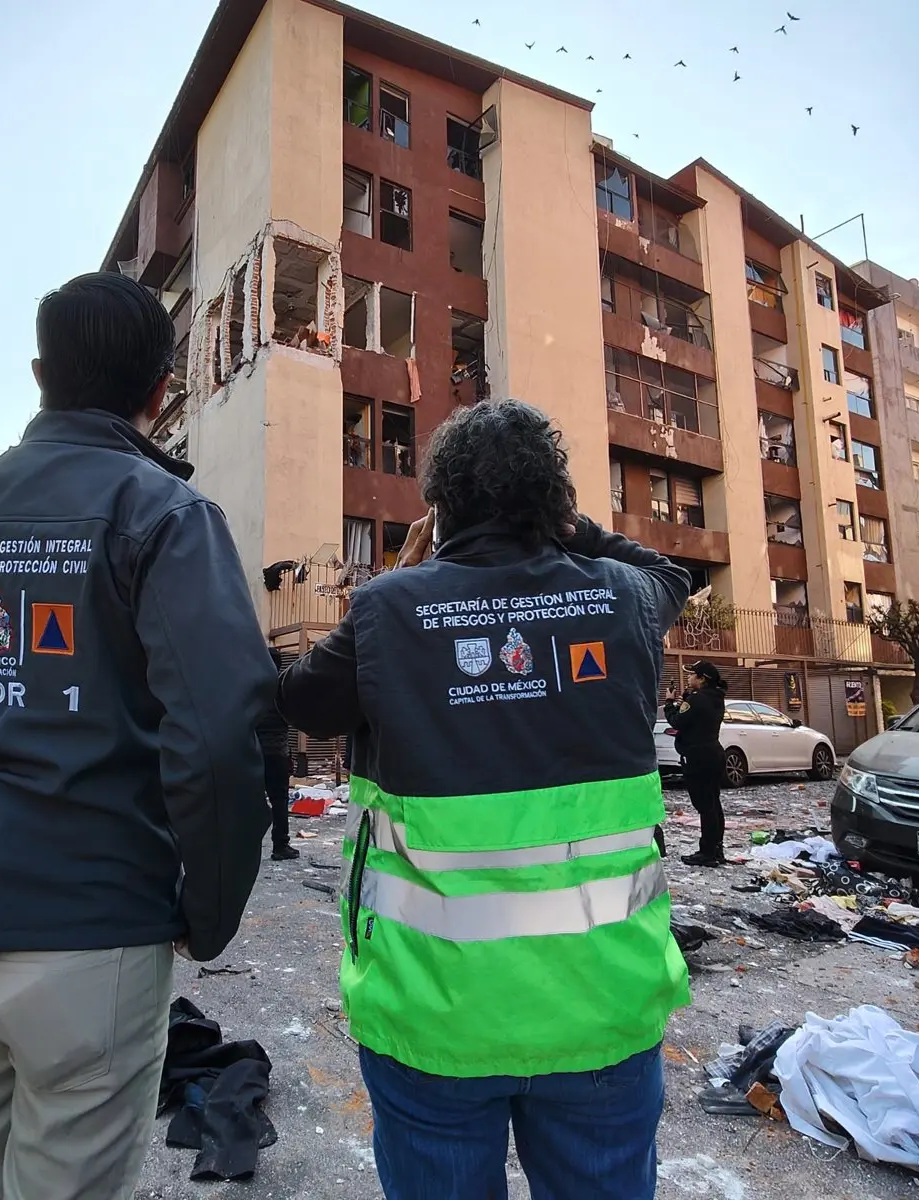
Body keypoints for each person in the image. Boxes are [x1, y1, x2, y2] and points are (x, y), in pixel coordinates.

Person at [0, 271, 274, 1200]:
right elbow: (214, 736)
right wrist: (206, 914)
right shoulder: (165, 514)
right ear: (160, 390)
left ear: (40, 373)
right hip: (92, 940)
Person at [278, 401, 692, 1200]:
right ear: (557, 502)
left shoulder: (389, 610)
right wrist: (573, 530)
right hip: (602, 1010)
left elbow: (301, 701)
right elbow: (674, 575)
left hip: (434, 1015)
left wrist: (403, 598)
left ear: (441, 504)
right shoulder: (625, 598)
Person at [665, 660, 728, 867]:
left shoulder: (697, 699)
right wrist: (686, 700)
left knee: (705, 806)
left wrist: (669, 703)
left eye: (692, 675)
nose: (689, 678)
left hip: (698, 757)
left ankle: (707, 852)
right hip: (714, 754)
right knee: (713, 804)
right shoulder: (716, 698)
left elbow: (677, 721)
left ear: (701, 679)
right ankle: (716, 848)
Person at [257, 647, 299, 861]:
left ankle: (246, 846)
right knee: (279, 800)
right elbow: (294, 717)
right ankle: (280, 845)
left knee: (250, 800)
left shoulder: (253, 688)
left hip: (253, 753)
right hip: (278, 752)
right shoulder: (283, 689)